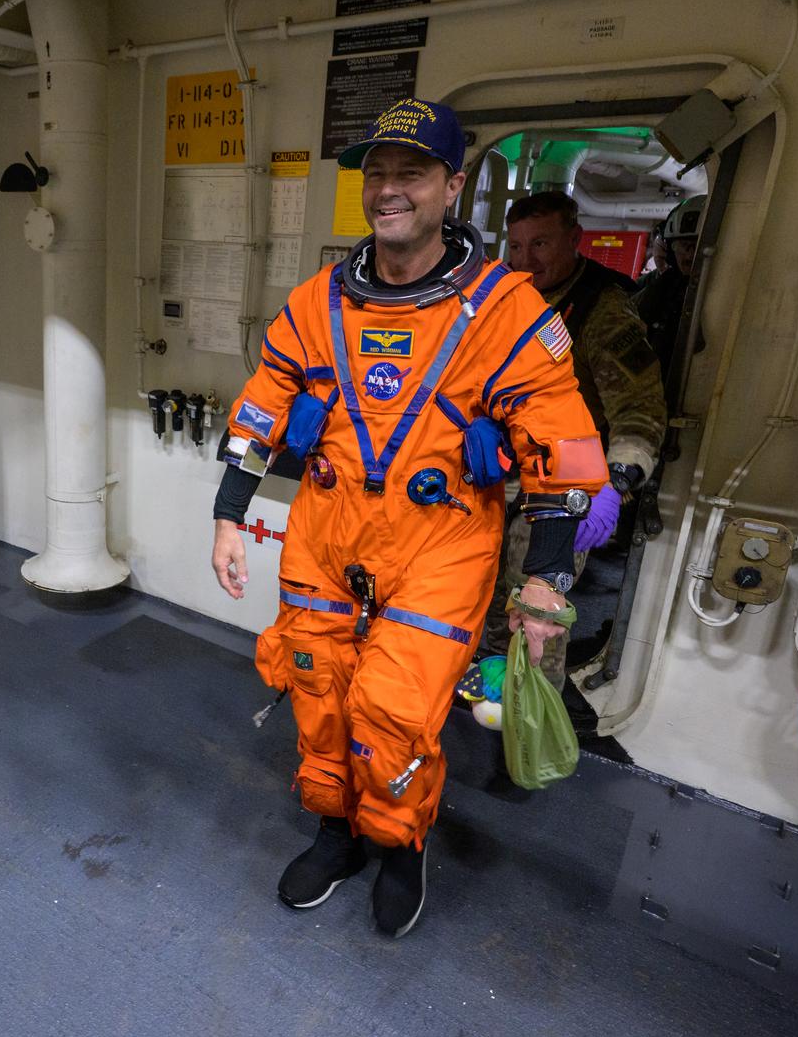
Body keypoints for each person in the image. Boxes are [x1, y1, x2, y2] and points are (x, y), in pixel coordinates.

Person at [209, 99, 605, 938]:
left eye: (412, 172)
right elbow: (261, 409)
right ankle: (336, 829)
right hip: (325, 535)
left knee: (394, 710)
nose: (389, 189)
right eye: (376, 173)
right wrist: (229, 515)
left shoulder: (507, 312)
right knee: (318, 694)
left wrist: (546, 580)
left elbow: (562, 446)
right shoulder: (319, 301)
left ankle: (398, 843)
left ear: (451, 186)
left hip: (443, 547)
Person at [482, 191, 667, 682]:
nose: (526, 259)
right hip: (489, 478)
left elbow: (641, 414)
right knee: (478, 602)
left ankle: (529, 732)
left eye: (540, 243)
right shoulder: (501, 302)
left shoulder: (602, 313)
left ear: (574, 240)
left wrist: (614, 483)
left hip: (559, 487)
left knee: (534, 615)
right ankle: (482, 706)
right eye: (516, 246)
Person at [632, 194, 707, 373]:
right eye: (683, 244)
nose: (689, 254)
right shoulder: (658, 290)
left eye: (696, 245)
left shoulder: (721, 290)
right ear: (670, 249)